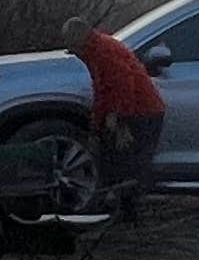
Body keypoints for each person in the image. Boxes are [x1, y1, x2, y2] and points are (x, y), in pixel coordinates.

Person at [64, 13, 165, 214]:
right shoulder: (95, 51)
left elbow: (123, 84)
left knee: (130, 162)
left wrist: (119, 118)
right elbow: (102, 90)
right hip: (134, 110)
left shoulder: (103, 51)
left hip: (143, 111)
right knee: (116, 157)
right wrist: (98, 120)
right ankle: (119, 205)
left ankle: (129, 209)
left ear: (80, 39)